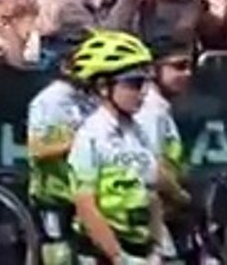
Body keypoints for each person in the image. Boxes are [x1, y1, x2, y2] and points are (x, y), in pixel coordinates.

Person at [67, 30, 165, 265]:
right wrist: (119, 258)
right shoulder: (90, 136)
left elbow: (152, 194)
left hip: (141, 247)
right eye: (134, 83)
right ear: (103, 87)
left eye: (146, 83)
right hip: (101, 253)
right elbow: (86, 207)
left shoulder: (139, 131)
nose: (143, 92)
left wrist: (157, 247)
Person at [26, 29, 95, 265]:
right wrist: (80, 142)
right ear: (66, 65)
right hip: (55, 195)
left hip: (85, 193)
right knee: (60, 257)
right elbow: (37, 149)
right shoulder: (49, 100)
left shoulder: (88, 96)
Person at [134, 35, 194, 262]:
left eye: (190, 66)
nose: (187, 73)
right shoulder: (150, 111)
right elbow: (153, 169)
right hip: (149, 219)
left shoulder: (160, 107)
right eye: (179, 66)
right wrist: (182, 197)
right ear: (153, 70)